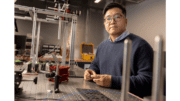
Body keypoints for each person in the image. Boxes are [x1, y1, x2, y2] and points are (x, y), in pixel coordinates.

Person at [84, 2, 153, 98]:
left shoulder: (141, 46)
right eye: (108, 18)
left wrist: (112, 81)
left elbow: (148, 81)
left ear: (126, 21)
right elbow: (95, 65)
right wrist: (90, 71)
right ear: (105, 24)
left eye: (117, 17)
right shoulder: (102, 46)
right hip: (104, 96)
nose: (112, 21)